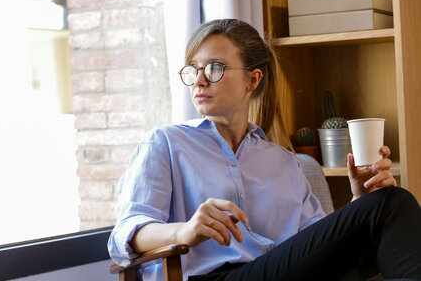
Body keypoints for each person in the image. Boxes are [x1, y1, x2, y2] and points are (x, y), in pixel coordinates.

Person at [108, 19, 421, 281]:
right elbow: (125, 234)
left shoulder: (284, 162)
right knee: (391, 204)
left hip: (278, 272)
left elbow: (319, 243)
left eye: (214, 67)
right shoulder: (166, 143)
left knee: (386, 204)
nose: (199, 81)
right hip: (213, 277)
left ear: (252, 80)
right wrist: (184, 231)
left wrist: (358, 202)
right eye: (193, 70)